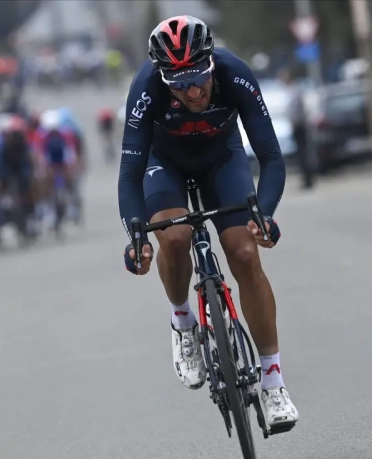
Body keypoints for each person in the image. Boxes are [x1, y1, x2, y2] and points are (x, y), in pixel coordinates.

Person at [117, 15, 298, 430]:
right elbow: (129, 173)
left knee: (244, 253)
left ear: (211, 63)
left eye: (198, 77)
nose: (192, 90)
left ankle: (273, 383)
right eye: (178, 83)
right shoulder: (146, 89)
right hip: (165, 165)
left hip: (222, 159)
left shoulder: (235, 74)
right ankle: (183, 322)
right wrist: (136, 235)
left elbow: (270, 157)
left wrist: (264, 215)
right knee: (174, 237)